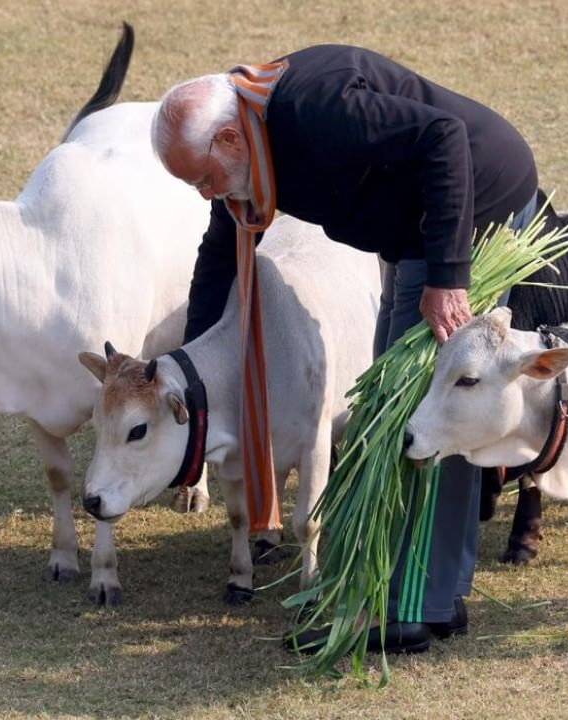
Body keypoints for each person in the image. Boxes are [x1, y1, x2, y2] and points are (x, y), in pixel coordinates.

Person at [152, 44, 538, 653]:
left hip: (472, 209)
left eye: (202, 178)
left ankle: (407, 610)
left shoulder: (314, 111)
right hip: (410, 230)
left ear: (229, 139)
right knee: (408, 406)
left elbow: (445, 137)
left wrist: (447, 276)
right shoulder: (249, 143)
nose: (205, 193)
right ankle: (433, 598)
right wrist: (194, 362)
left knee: (410, 416)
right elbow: (220, 254)